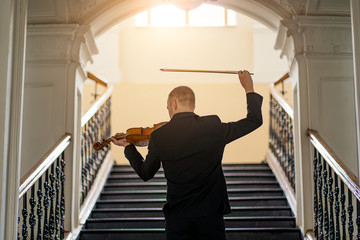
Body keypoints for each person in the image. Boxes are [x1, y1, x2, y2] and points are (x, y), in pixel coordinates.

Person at [111, 70, 263, 240]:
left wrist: (128, 147)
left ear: (174, 104)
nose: (168, 110)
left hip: (178, 218)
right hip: (210, 216)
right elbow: (253, 121)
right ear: (193, 105)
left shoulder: (159, 136)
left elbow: (145, 173)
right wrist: (248, 87)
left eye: (168, 107)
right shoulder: (213, 126)